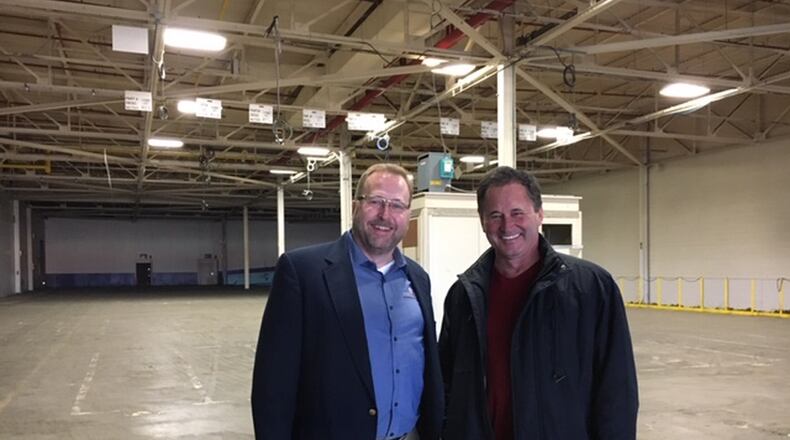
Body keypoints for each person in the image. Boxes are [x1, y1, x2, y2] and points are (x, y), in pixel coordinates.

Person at [439, 166, 638, 440]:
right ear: (483, 221)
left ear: (539, 214)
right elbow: (447, 383)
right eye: (495, 215)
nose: (507, 226)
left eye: (517, 213)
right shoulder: (463, 296)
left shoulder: (592, 288)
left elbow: (617, 391)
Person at [251, 163, 443, 440]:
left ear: (407, 214)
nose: (385, 214)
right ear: (356, 206)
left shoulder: (418, 278)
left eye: (397, 205)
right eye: (376, 201)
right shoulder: (303, 272)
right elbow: (273, 382)